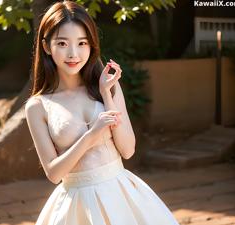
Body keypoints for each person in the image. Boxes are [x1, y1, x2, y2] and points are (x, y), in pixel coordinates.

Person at [24, 1, 181, 224]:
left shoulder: (107, 87)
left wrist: (107, 95)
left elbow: (127, 150)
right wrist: (91, 136)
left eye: (82, 43)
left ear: (91, 45)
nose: (73, 53)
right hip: (75, 204)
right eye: (62, 43)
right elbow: (54, 173)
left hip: (120, 194)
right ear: (47, 47)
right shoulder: (38, 106)